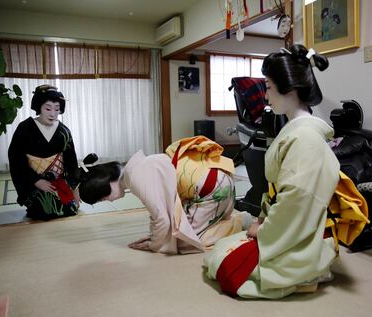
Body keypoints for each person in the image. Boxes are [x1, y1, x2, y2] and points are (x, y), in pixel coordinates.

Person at [204, 44, 341, 299]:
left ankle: (307, 269)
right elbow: (282, 194)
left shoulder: (305, 138)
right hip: (284, 223)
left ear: (288, 89)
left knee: (228, 270)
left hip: (297, 232)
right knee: (221, 251)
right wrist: (262, 220)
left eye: (267, 86)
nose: (266, 96)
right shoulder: (296, 131)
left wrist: (264, 230)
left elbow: (297, 198)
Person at [76, 136, 253, 254]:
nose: (107, 200)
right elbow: (160, 215)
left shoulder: (137, 178)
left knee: (185, 241)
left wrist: (154, 245)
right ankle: (227, 221)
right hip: (219, 183)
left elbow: (162, 219)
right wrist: (155, 237)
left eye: (103, 197)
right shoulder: (138, 168)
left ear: (108, 183)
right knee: (174, 233)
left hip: (213, 191)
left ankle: (239, 223)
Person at [8, 84, 80, 220]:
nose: (52, 113)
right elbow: (16, 160)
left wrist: (74, 189)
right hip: (34, 183)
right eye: (48, 108)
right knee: (44, 210)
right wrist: (36, 181)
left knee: (70, 209)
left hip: (58, 182)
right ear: (39, 106)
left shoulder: (64, 131)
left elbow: (71, 162)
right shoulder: (24, 129)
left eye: (57, 109)